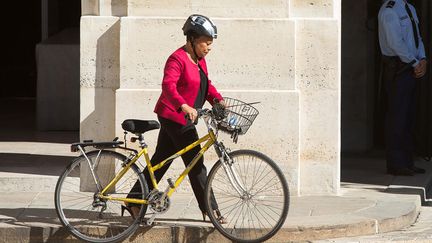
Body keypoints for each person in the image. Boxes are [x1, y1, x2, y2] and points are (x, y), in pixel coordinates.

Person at [124, 14, 226, 223]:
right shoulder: (177, 58)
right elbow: (168, 87)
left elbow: (206, 86)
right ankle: (210, 209)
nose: (209, 47)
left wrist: (218, 100)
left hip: (186, 117)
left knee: (161, 160)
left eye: (210, 43)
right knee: (196, 161)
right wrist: (184, 105)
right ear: (192, 39)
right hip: (174, 116)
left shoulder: (200, 61)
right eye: (206, 42)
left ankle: (133, 200)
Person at [378, 0, 427, 176]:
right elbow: (395, 43)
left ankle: (407, 161)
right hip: (398, 67)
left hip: (412, 65)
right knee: (397, 116)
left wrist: (422, 58)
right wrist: (414, 62)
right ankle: (396, 164)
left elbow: (417, 38)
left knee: (408, 116)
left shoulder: (410, 8)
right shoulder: (389, 11)